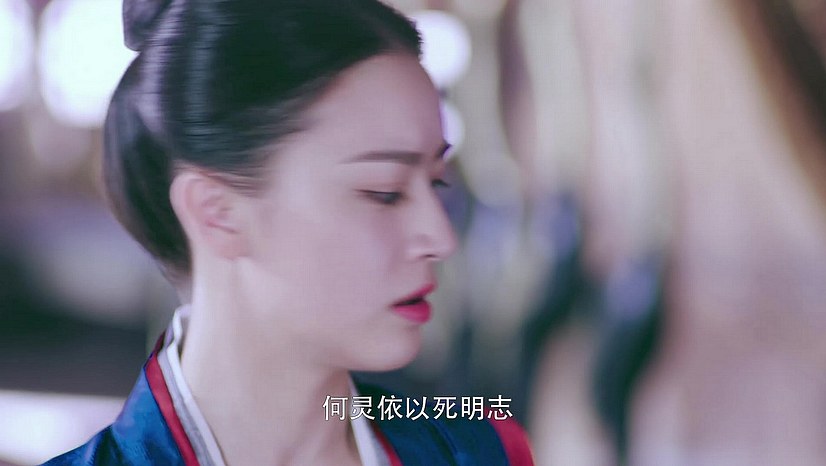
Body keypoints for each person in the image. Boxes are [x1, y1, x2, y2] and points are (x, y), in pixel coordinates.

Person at [44, 0, 535, 464]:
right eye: (384, 192)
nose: (441, 238)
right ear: (217, 213)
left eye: (437, 181)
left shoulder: (481, 447)